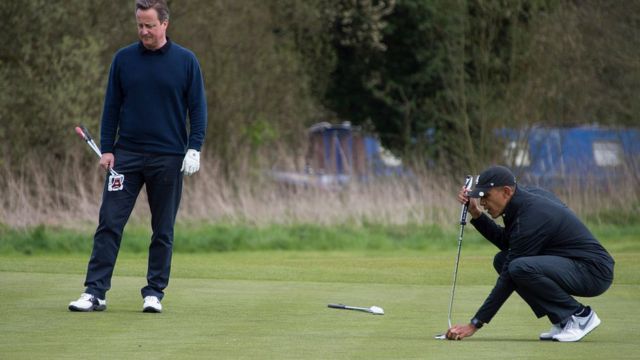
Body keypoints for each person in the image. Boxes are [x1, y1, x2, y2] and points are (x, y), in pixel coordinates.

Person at [69, 0, 207, 313]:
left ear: (165, 24)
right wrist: (107, 149)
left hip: (168, 158)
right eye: (139, 25)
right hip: (126, 157)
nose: (143, 31)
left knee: (163, 229)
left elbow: (198, 109)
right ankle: (95, 292)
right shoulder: (123, 59)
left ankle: (154, 292)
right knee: (109, 223)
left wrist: (194, 147)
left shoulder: (186, 61)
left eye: (149, 25)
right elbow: (111, 107)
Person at [446, 165, 614, 342]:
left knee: (517, 267)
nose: (482, 203)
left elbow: (508, 277)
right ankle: (563, 320)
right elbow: (509, 243)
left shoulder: (532, 215)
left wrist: (474, 324)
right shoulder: (521, 202)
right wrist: (476, 214)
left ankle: (580, 316)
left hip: (592, 271)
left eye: (485, 196)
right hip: (572, 264)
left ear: (506, 191)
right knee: (503, 261)